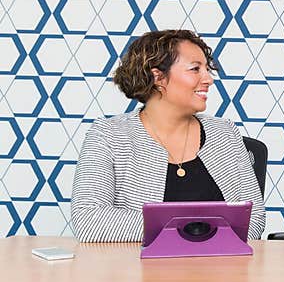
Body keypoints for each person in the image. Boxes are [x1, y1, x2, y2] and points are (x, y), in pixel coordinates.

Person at [71, 29, 265, 242]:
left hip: (221, 270)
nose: (208, 79)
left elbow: (253, 218)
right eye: (195, 69)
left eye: (207, 69)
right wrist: (192, 228)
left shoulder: (225, 133)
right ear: (158, 77)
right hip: (138, 273)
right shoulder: (108, 136)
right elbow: (87, 220)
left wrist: (173, 228)